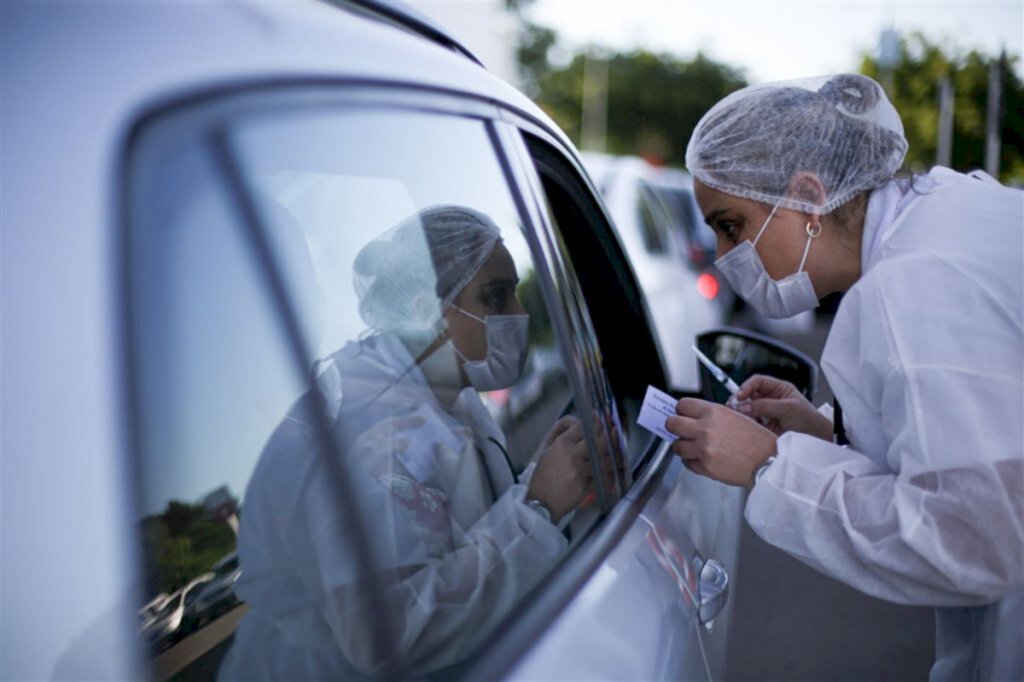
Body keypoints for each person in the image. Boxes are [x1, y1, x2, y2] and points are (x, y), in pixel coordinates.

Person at [667, 74, 1023, 680]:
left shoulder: (912, 283)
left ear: (808, 197)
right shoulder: (949, 212)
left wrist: (770, 467)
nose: (728, 255)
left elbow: (974, 539)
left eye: (732, 225)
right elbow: (983, 435)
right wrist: (831, 431)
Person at [219, 205, 598, 680]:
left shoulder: (441, 391)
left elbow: (451, 529)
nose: (518, 316)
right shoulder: (363, 432)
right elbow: (395, 635)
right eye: (497, 298)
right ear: (426, 313)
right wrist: (537, 508)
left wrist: (537, 481)